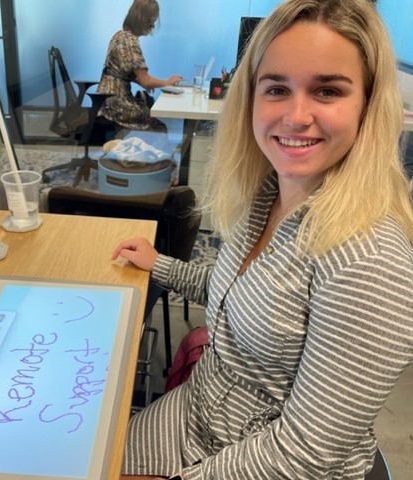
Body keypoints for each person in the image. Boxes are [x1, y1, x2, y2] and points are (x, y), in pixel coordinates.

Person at [111, 0, 413, 478]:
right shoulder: (268, 194)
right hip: (199, 416)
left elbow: (303, 456)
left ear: (368, 104)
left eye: (327, 90)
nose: (295, 115)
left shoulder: (370, 262)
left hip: (267, 462)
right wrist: (162, 266)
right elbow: (244, 297)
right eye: (276, 88)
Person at [97, 0, 183, 132]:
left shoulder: (120, 36)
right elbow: (146, 80)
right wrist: (168, 82)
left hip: (109, 100)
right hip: (117, 104)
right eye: (152, 21)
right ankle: (150, 152)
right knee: (158, 127)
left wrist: (144, 83)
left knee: (149, 109)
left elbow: (121, 71)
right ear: (144, 19)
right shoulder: (130, 41)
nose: (153, 25)